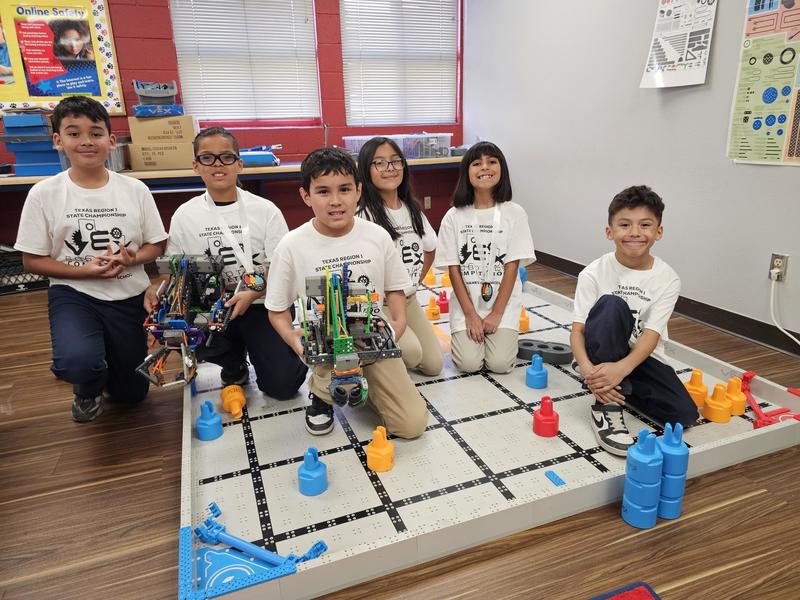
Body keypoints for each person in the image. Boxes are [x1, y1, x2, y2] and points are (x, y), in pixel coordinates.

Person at [14, 96, 167, 422]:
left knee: (132, 395)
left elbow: (157, 245)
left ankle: (109, 364)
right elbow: (31, 261)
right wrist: (83, 271)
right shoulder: (44, 194)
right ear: (58, 140)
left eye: (96, 133)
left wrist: (133, 258)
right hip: (74, 294)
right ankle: (87, 385)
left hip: (129, 294)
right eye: (73, 133)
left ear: (111, 141)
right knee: (78, 362)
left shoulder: (135, 189)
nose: (86, 141)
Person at [266, 147, 428, 438]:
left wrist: (399, 321)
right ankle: (321, 393)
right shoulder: (291, 246)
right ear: (306, 196)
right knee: (330, 359)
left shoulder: (377, 236)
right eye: (323, 192)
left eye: (344, 189)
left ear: (358, 191)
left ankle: (365, 385)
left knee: (412, 426)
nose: (336, 201)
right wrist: (292, 338)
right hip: (328, 345)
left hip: (370, 341)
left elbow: (394, 289)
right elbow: (276, 309)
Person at [155, 126, 307, 398]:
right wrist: (157, 290)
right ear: (195, 165)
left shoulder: (264, 210)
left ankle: (277, 352)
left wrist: (253, 291)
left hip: (262, 303)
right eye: (207, 158)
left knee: (282, 386)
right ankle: (232, 361)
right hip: (213, 305)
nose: (217, 164)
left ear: (239, 164)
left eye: (226, 157)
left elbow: (284, 267)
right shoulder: (184, 215)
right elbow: (176, 268)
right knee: (184, 328)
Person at [570, 185, 699, 456]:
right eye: (625, 225)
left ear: (659, 232)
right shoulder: (593, 273)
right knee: (612, 305)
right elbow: (577, 330)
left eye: (645, 225)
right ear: (610, 231)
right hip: (603, 343)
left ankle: (612, 382)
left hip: (639, 356)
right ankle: (606, 406)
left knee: (684, 415)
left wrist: (621, 368)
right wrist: (585, 368)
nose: (635, 233)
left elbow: (651, 335)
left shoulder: (668, 278)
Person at [435, 142, 535, 374]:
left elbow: (512, 267)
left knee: (500, 364)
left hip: (503, 303)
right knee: (468, 364)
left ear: (502, 169)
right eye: (477, 163)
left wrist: (497, 313)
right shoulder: (453, 216)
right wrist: (470, 315)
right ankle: (471, 327)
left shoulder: (515, 213)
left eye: (492, 161)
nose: (485, 167)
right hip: (466, 304)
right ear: (466, 172)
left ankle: (501, 333)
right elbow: (454, 270)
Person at [356, 136, 443, 376]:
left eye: (395, 161)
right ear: (366, 169)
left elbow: (430, 247)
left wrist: (416, 281)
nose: (390, 168)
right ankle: (374, 357)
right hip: (379, 303)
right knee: (412, 353)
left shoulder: (411, 208)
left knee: (434, 365)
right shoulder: (364, 216)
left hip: (409, 298)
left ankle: (391, 350)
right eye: (380, 163)